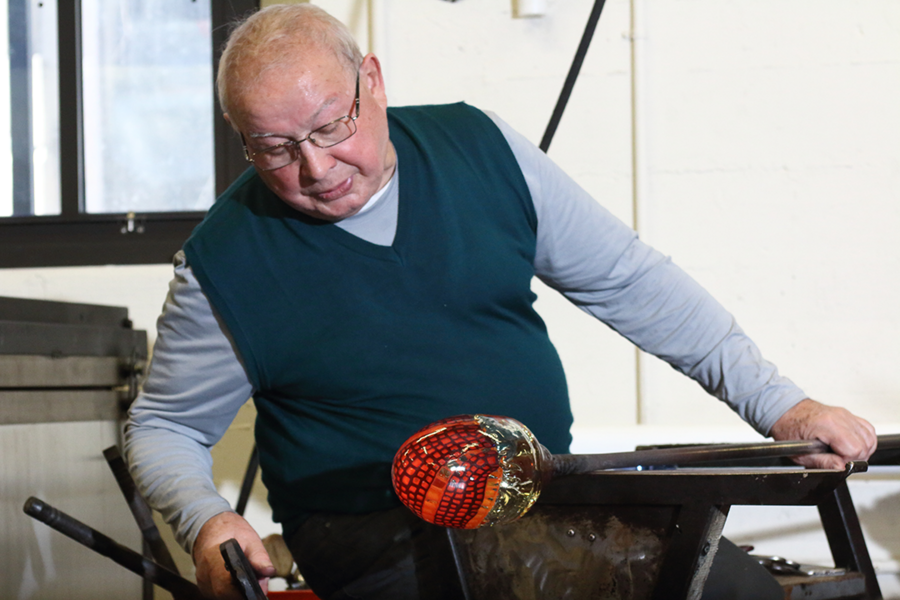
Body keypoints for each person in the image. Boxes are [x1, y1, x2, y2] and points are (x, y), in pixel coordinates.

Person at [124, 4, 877, 600]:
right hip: (371, 531)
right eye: (275, 149)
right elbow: (163, 426)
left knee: (732, 589)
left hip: (543, 497)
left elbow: (634, 283)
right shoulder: (226, 261)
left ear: (372, 82)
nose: (316, 167)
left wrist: (781, 406)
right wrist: (207, 521)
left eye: (331, 126)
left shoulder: (481, 151)